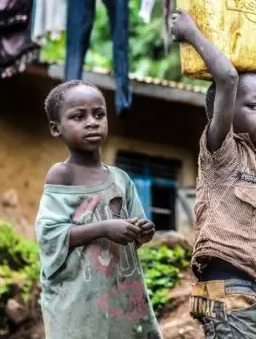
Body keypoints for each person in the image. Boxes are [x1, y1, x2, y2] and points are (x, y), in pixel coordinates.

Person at [171, 9, 256, 338]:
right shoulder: (223, 152)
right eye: (254, 106)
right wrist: (191, 33)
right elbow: (228, 79)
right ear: (226, 112)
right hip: (225, 290)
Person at [35, 80, 162, 339]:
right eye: (79, 116)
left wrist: (142, 231)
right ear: (55, 128)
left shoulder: (120, 179)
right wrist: (104, 228)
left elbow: (136, 236)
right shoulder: (62, 175)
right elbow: (49, 235)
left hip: (119, 293)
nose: (92, 122)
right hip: (75, 297)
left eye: (99, 114)